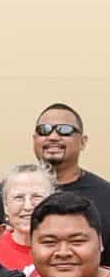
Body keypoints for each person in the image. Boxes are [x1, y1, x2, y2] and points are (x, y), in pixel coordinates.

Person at [31, 103, 110, 266]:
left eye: (65, 130)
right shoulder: (10, 192)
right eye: (44, 130)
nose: (53, 137)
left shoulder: (106, 196)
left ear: (83, 141)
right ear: (34, 139)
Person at [0, 163, 56, 274]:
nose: (28, 206)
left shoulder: (63, 251)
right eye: (19, 197)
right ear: (6, 206)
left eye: (37, 197)